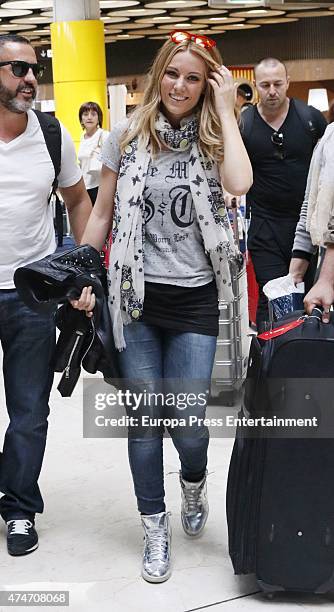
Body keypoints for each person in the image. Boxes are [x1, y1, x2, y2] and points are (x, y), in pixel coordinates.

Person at [72, 30, 252, 583]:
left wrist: (224, 107)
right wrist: (82, 272)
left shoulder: (216, 135)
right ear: (157, 75)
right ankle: (154, 522)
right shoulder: (123, 137)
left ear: (207, 84)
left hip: (196, 299)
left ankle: (192, 482)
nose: (180, 85)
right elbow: (101, 214)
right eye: (173, 74)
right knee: (146, 416)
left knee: (189, 420)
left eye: (194, 77)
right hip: (136, 301)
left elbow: (240, 184)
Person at [0, 34, 92, 556]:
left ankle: (18, 507)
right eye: (17, 69)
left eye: (35, 68)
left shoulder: (52, 135)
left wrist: (81, 270)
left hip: (31, 295)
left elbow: (79, 202)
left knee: (29, 410)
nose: (30, 78)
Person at [240, 57, 327, 331]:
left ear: (288, 83)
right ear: (256, 86)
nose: (272, 91)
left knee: (312, 297)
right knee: (274, 295)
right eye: (265, 85)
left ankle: (311, 354)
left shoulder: (309, 119)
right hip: (265, 226)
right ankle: (274, 358)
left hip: (309, 226)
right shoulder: (245, 124)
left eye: (278, 83)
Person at [77, 101, 109, 205]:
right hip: (84, 187)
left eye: (93, 114)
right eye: (85, 114)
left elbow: (111, 162)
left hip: (100, 187)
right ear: (81, 118)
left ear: (99, 118)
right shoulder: (82, 137)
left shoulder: (104, 135)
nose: (89, 117)